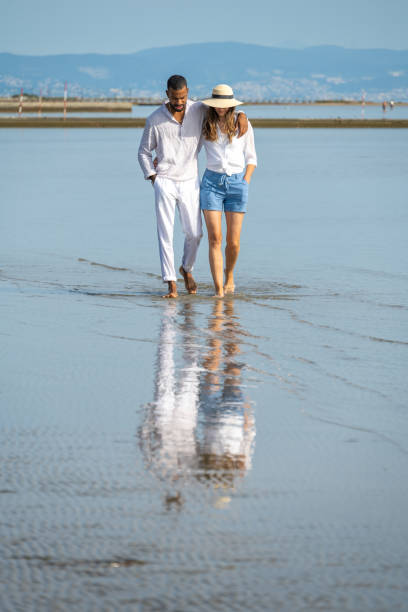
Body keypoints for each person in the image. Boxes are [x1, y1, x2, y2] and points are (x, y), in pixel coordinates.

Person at [138, 75, 248, 298]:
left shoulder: (198, 109)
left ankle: (186, 269)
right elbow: (143, 152)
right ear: (167, 93)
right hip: (164, 181)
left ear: (188, 92)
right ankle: (171, 284)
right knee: (165, 233)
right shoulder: (154, 119)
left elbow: (223, 107)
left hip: (190, 181)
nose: (179, 101)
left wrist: (242, 115)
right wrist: (153, 177)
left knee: (195, 234)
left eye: (183, 97)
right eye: (175, 97)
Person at [199, 84, 257, 297]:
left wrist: (245, 180)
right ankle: (219, 291)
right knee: (215, 238)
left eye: (224, 105)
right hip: (211, 184)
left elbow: (252, 157)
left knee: (233, 242)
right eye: (217, 104)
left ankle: (229, 275)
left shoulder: (243, 123)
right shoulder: (204, 121)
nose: (220, 108)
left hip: (237, 183)